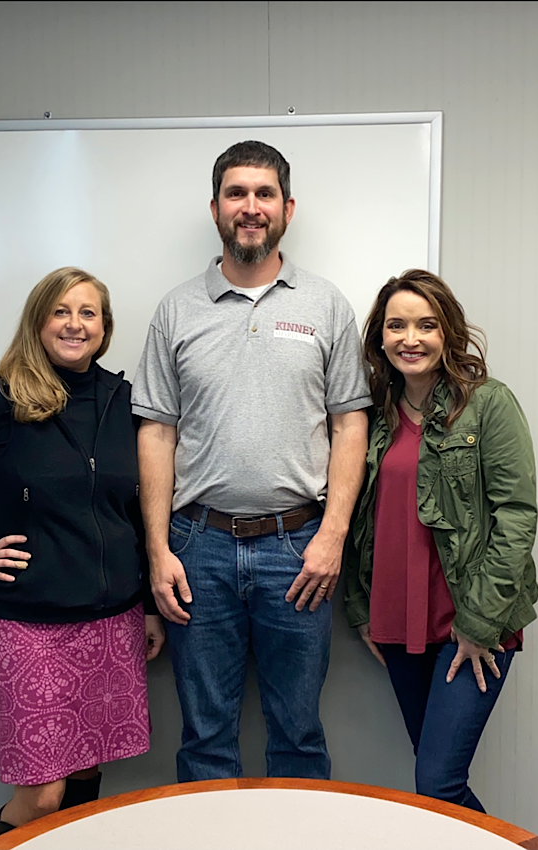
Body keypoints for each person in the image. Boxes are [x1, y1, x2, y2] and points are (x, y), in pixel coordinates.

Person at [131, 140, 371, 782]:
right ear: (215, 208)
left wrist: (333, 536)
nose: (251, 207)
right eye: (236, 194)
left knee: (297, 734)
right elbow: (155, 433)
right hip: (196, 551)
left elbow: (352, 423)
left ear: (287, 207)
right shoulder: (177, 309)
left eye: (264, 194)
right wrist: (158, 551)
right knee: (205, 738)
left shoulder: (325, 305)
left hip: (300, 550)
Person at [0, 267, 165, 837]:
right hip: (29, 625)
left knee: (88, 773)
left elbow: (135, 515)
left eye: (88, 313)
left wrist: (143, 605)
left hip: (110, 622)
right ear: (38, 320)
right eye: (61, 311)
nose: (75, 324)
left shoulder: (124, 402)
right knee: (43, 797)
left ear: (105, 326)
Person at [345, 269, 538, 811]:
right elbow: (363, 520)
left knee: (436, 785)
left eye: (426, 325)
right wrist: (361, 608)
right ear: (380, 338)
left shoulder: (489, 404)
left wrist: (479, 626)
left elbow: (517, 516)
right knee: (436, 788)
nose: (411, 338)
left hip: (470, 624)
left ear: (447, 332)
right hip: (398, 624)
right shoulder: (374, 416)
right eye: (397, 326)